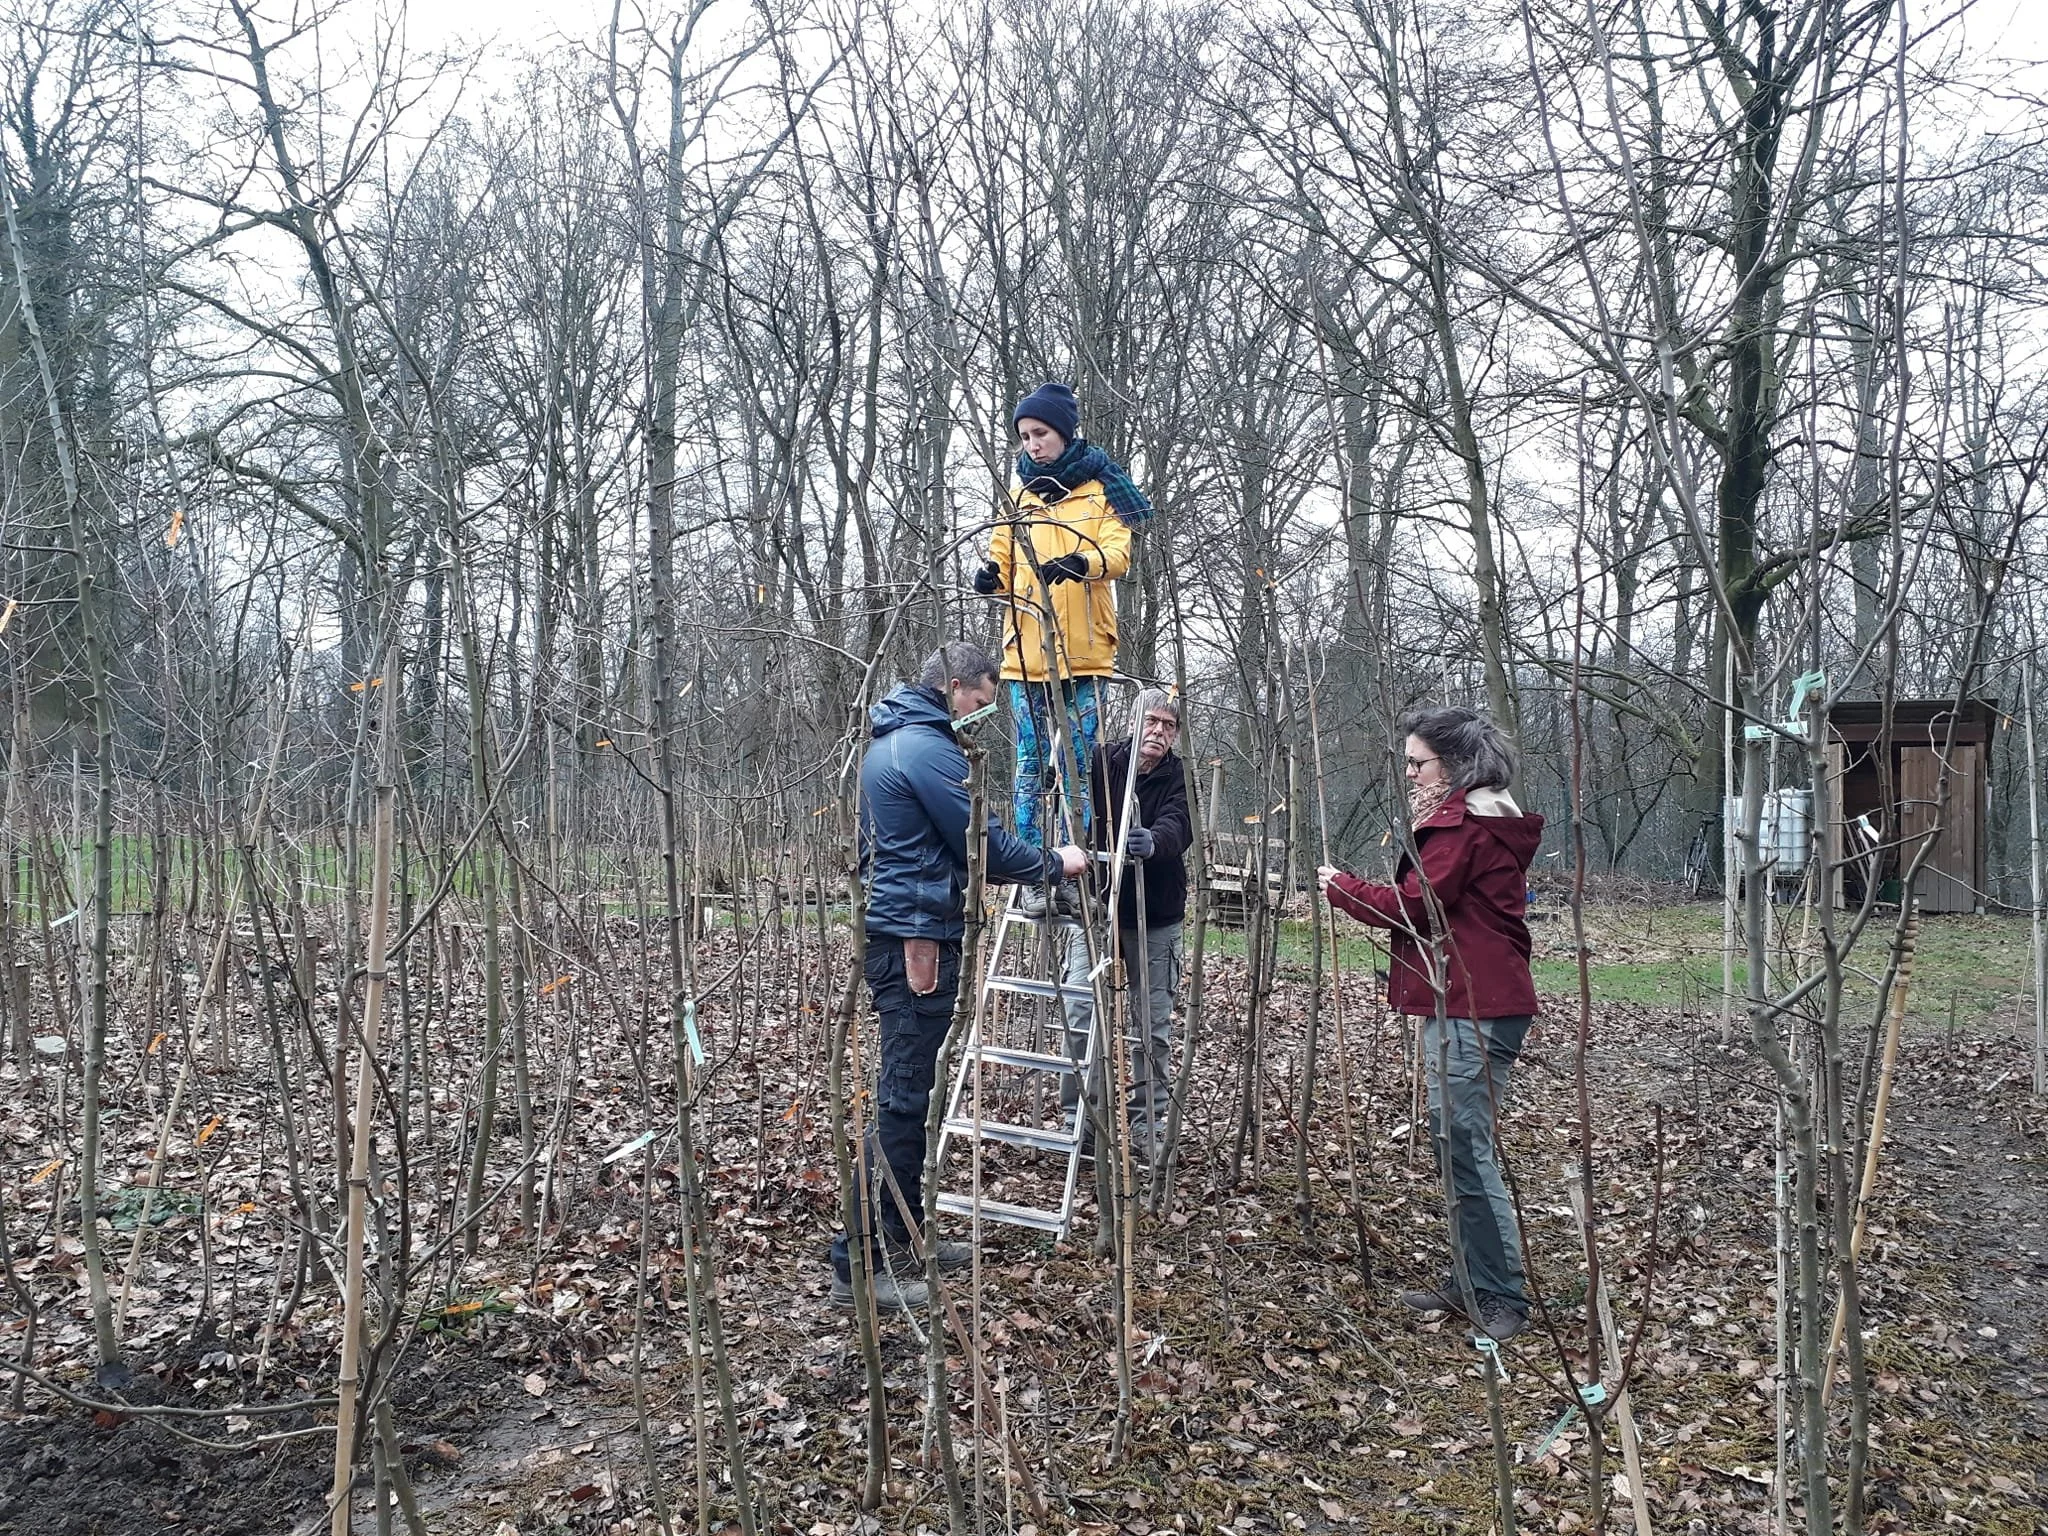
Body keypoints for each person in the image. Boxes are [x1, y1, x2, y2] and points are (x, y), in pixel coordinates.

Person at [831, 640, 1088, 1312]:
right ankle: (858, 1265)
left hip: (910, 932)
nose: (981, 714)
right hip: (915, 942)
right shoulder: (926, 750)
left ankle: (903, 1232)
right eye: (980, 700)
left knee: (914, 1093)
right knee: (903, 1099)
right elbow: (987, 847)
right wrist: (1057, 861)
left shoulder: (896, 740)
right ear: (954, 687)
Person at [1317, 707, 1544, 1342]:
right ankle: (1471, 1280)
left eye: (1418, 763)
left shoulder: (1466, 826)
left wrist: (1342, 887)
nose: (1411, 774)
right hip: (1470, 999)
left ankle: (1501, 1296)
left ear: (1455, 765)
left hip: (1477, 1004)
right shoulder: (1474, 819)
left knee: (1465, 1147)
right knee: (1454, 1144)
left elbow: (1416, 908)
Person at [972, 383, 1153, 909]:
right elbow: (1002, 563)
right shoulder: (1017, 500)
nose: (1032, 444)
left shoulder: (1101, 490)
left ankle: (1073, 876)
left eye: (1041, 433)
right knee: (1030, 767)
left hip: (1086, 654)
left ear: (1064, 433)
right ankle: (1033, 875)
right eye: (1025, 436)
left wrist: (1083, 561)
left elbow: (1118, 553)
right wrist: (991, 579)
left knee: (1077, 769)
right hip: (1026, 657)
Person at [1059, 690, 1191, 1164]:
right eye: (1151, 721)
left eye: (1168, 726)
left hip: (1155, 918)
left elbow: (1180, 822)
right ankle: (1080, 1121)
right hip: (1096, 911)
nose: (1158, 732)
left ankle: (1147, 1126)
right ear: (1134, 722)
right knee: (1081, 1012)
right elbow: (1071, 800)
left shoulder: (1179, 776)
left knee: (1151, 1027)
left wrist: (1154, 841)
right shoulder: (1102, 762)